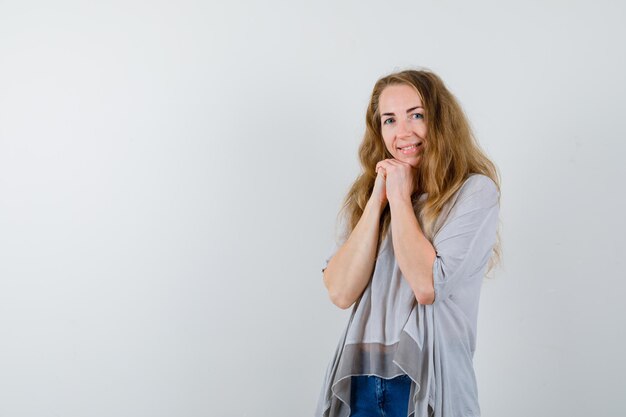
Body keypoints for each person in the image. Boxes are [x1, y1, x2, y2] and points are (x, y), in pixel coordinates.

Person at [315, 69, 502, 417]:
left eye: (417, 115)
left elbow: (427, 284)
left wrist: (400, 200)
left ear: (441, 120)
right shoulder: (370, 198)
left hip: (426, 380)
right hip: (361, 379)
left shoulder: (473, 192)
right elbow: (340, 291)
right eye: (389, 120)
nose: (403, 132)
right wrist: (377, 200)